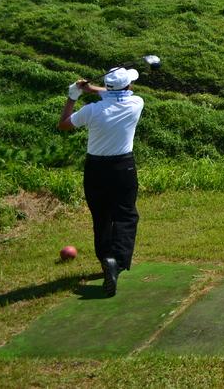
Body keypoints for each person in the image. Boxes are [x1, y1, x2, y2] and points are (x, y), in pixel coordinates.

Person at [58, 68, 144, 297]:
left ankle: (107, 258)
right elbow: (116, 94)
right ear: (128, 88)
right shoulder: (136, 103)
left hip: (95, 169)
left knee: (101, 216)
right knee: (126, 215)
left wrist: (73, 96)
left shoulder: (91, 111)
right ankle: (118, 260)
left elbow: (64, 124)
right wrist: (91, 89)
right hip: (123, 168)